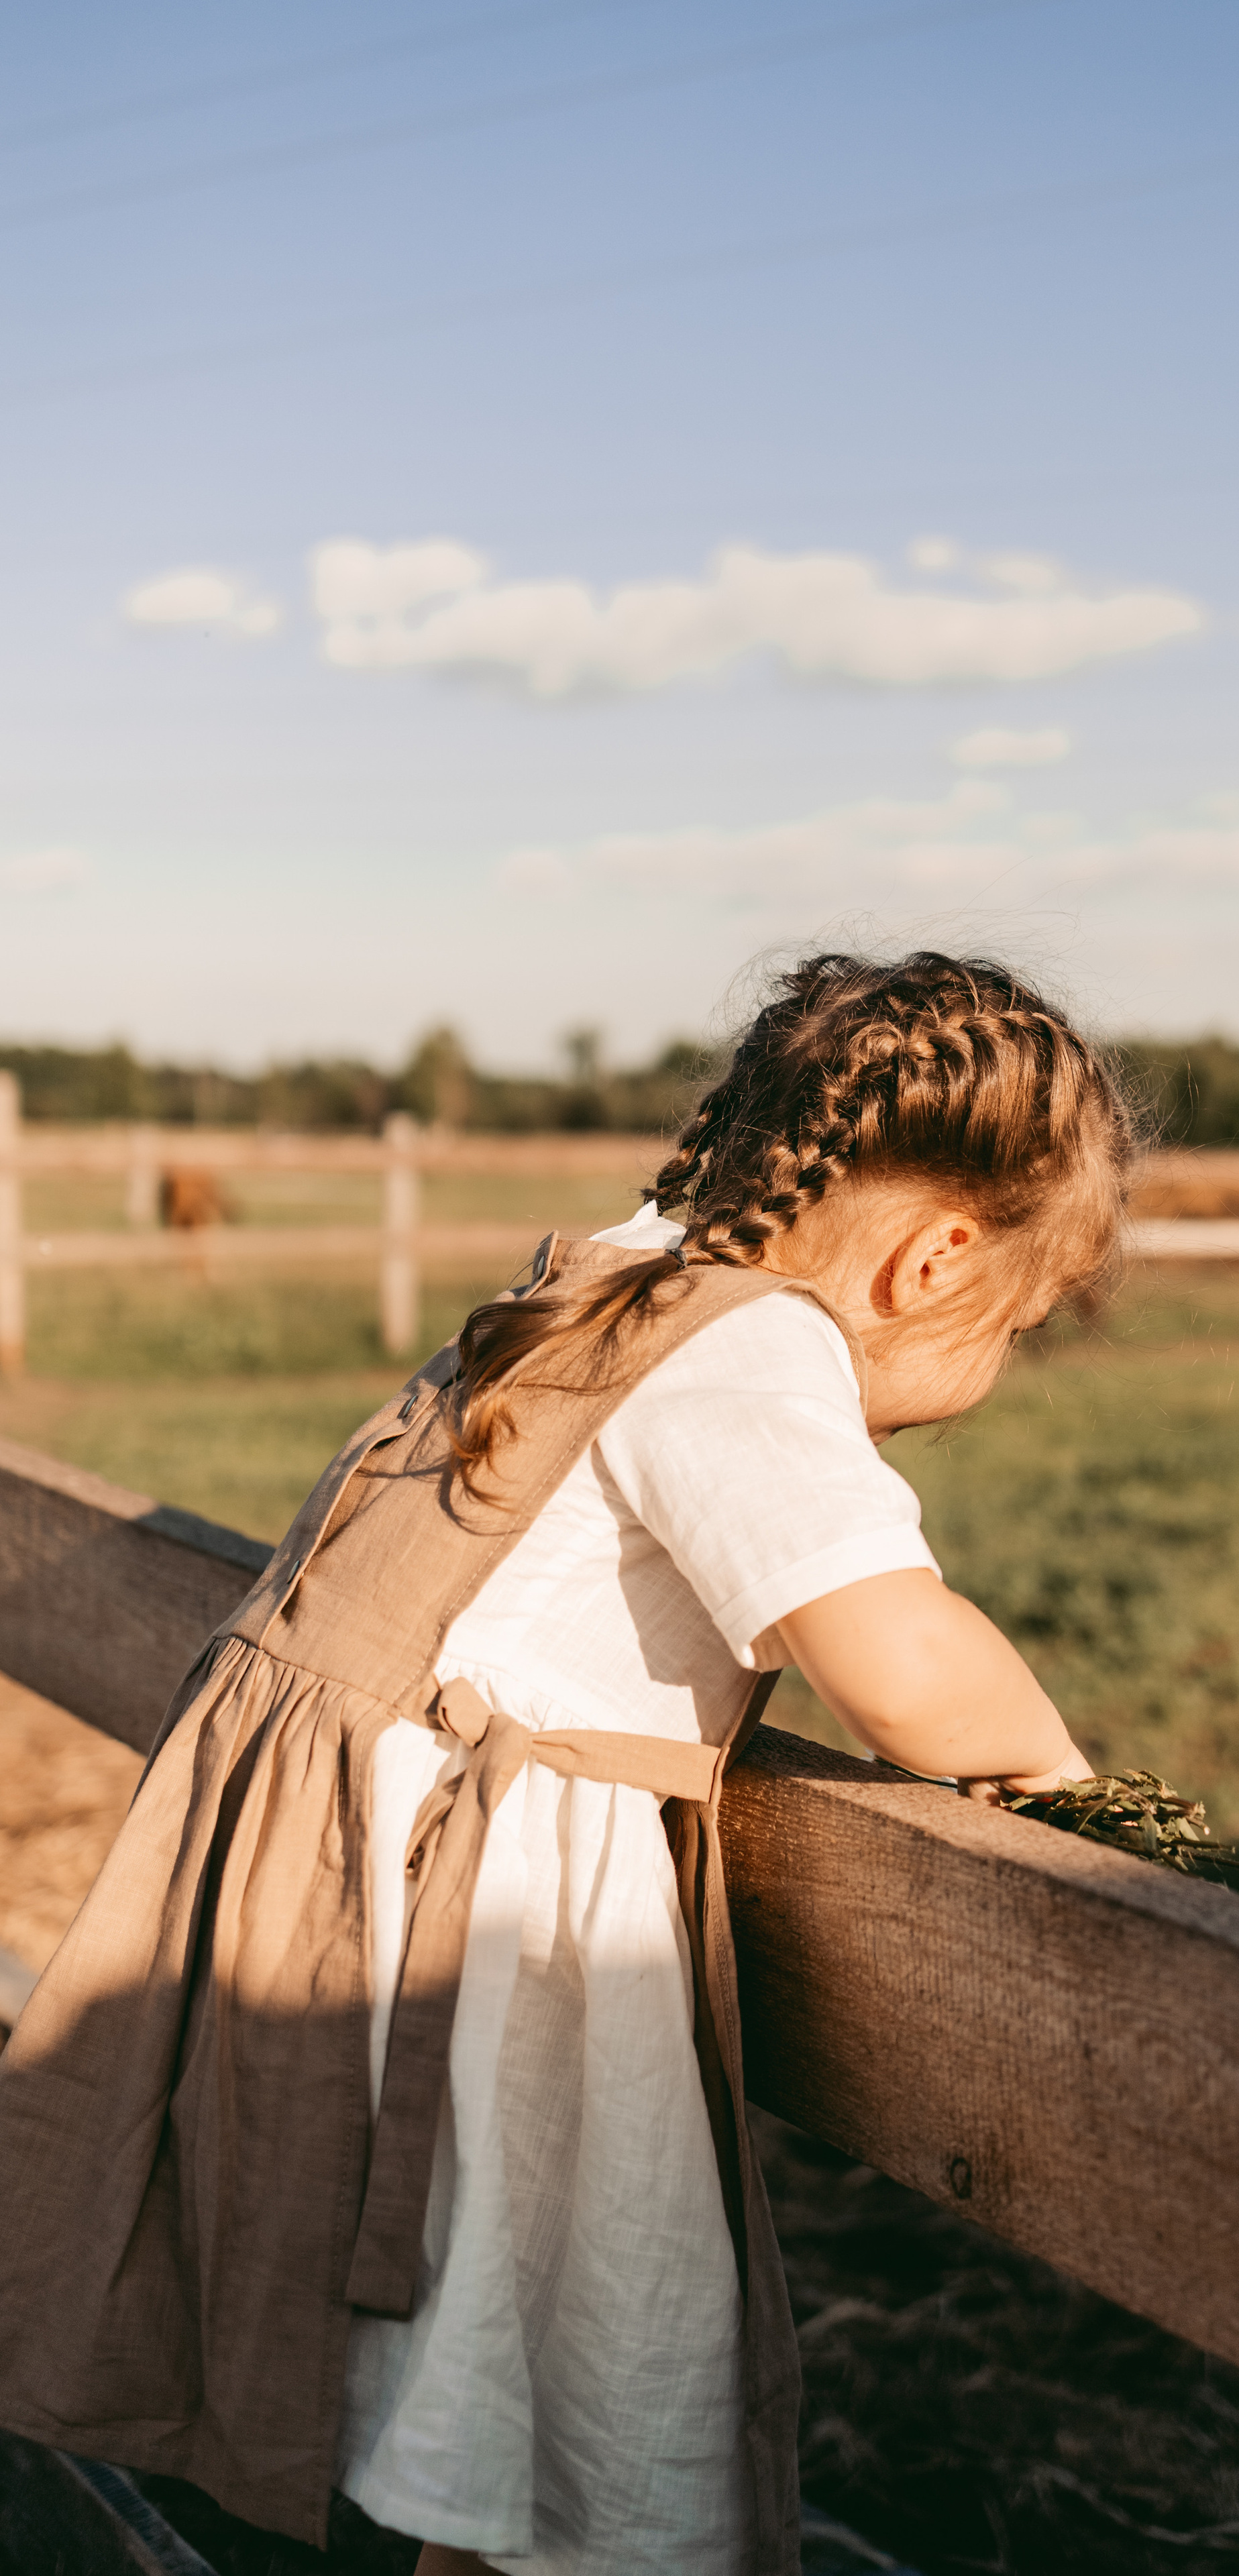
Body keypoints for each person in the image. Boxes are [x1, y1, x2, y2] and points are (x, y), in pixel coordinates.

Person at [0, 950, 1130, 2576]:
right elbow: (901, 1665)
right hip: (482, 1951)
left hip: (345, 1897)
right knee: (571, 2423)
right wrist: (1064, 1775)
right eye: (1015, 1326)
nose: (994, 1370)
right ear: (937, 1256)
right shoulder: (745, 1347)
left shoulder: (618, 1277)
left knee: (485, 2436)